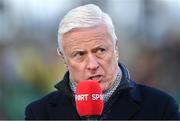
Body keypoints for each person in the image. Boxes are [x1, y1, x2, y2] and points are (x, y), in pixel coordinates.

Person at [25, 4, 180, 120]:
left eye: (100, 51)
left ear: (116, 48)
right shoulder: (39, 114)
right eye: (79, 54)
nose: (92, 65)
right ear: (63, 58)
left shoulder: (161, 108)